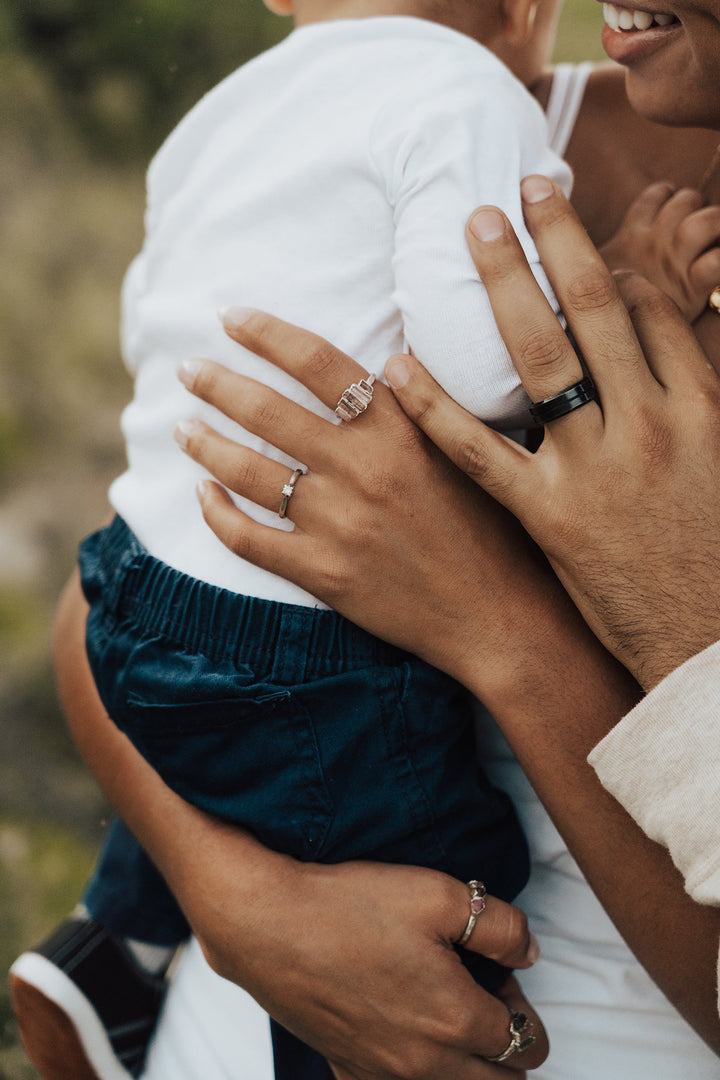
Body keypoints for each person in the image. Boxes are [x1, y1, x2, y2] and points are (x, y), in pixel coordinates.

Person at [12, 9, 720, 1080]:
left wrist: (501, 632)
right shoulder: (492, 118)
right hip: (226, 1022)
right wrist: (234, 898)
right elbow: (117, 581)